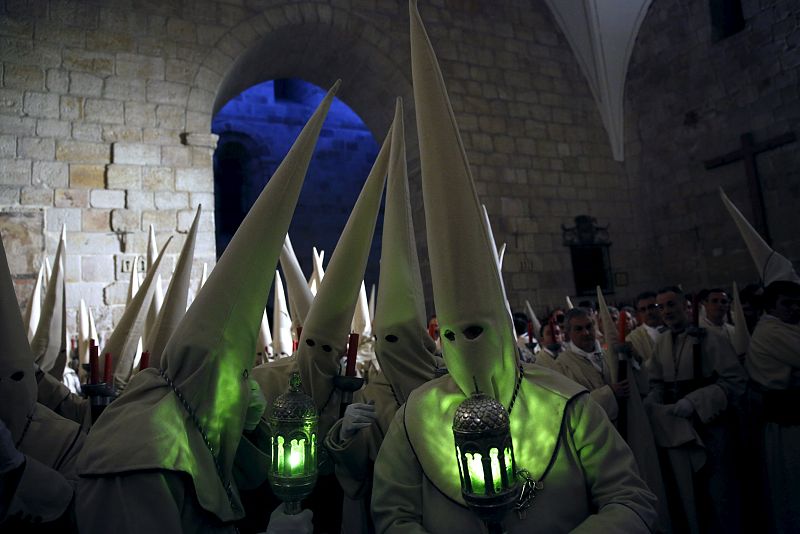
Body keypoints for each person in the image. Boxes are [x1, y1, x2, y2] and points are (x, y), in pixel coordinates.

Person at [372, 4, 657, 531]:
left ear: (504, 329)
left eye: (478, 330)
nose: (467, 344)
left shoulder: (567, 404)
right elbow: (392, 516)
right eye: (454, 334)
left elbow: (631, 500)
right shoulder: (415, 417)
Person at [74, 81, 341, 534]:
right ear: (211, 373)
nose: (249, 387)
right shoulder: (142, 446)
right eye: (241, 376)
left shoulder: (190, 416)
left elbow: (243, 475)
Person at [324, 99, 437, 534]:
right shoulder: (371, 389)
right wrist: (347, 434)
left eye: (402, 340)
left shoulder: (447, 383)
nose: (393, 352)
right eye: (384, 340)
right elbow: (355, 464)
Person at [645, 286, 747, 534]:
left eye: (671, 304)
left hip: (712, 429)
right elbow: (656, 381)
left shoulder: (711, 339)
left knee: (719, 494)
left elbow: (735, 382)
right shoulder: (662, 343)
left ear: (686, 307)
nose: (666, 311)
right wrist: (655, 402)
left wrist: (697, 401)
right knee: (689, 496)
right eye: (661, 307)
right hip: (680, 434)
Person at [556, 308, 630, 421]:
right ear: (568, 333)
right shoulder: (561, 365)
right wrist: (610, 393)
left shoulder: (608, 354)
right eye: (578, 329)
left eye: (589, 326)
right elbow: (570, 406)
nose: (586, 333)